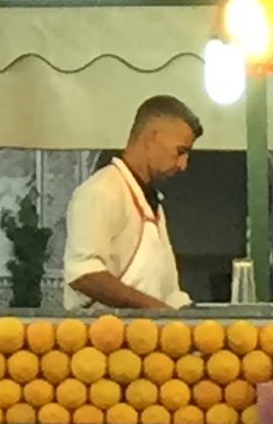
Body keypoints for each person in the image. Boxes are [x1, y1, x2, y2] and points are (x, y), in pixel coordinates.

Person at [63, 95, 201, 311]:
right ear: (151, 139)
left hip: (146, 340)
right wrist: (153, 308)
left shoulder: (152, 204)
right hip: (100, 339)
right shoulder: (101, 191)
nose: (183, 165)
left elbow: (170, 293)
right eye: (180, 152)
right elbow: (83, 273)